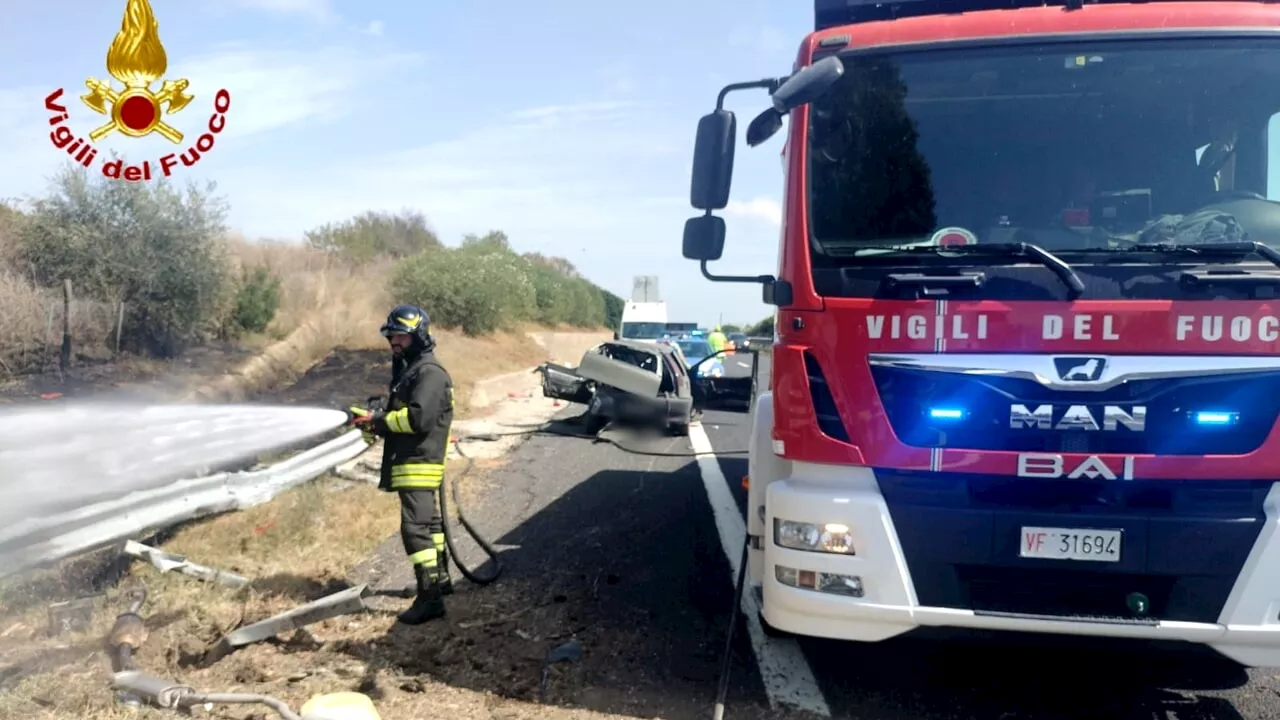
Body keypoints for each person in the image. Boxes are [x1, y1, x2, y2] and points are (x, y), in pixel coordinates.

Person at [353, 304, 456, 625]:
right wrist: (376, 420)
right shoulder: (414, 369)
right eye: (391, 337)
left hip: (418, 461)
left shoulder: (429, 373)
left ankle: (430, 599)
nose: (394, 343)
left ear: (419, 335)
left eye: (401, 337)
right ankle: (440, 580)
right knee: (431, 525)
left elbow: (418, 418)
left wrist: (380, 421)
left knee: (415, 529)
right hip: (415, 459)